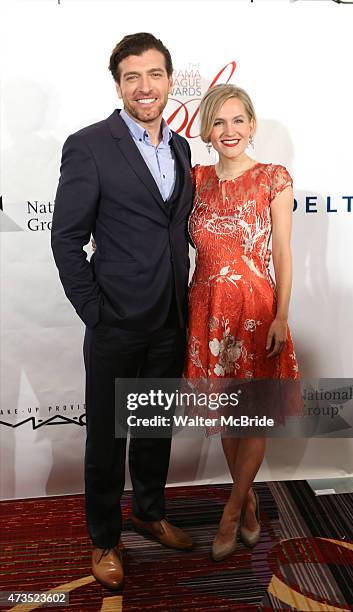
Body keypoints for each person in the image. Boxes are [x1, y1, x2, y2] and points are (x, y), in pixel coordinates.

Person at [51, 32, 194, 591]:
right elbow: (67, 239)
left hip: (169, 319)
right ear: (118, 85)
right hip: (114, 322)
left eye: (154, 75)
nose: (144, 87)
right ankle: (104, 538)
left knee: (155, 427)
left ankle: (150, 512)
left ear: (168, 81)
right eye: (132, 77)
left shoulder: (181, 148)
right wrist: (95, 311)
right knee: (108, 438)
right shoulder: (89, 145)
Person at [184, 83, 302, 561]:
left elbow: (283, 254)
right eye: (219, 121)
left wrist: (282, 315)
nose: (229, 130)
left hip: (255, 310)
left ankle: (232, 511)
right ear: (206, 130)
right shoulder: (194, 179)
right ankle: (249, 503)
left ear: (252, 125)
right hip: (205, 306)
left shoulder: (273, 177)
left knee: (250, 414)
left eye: (238, 121)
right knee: (227, 415)